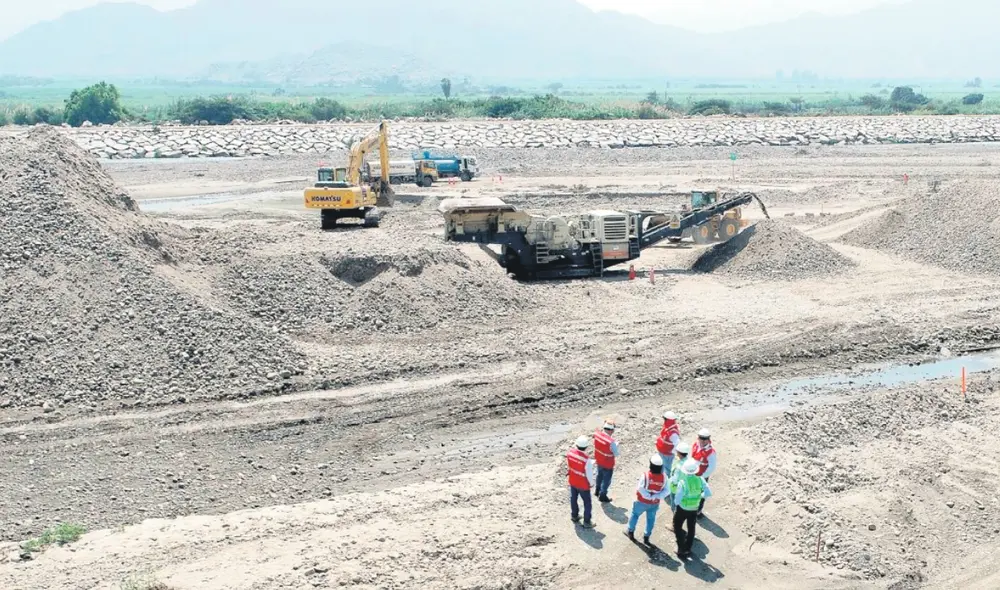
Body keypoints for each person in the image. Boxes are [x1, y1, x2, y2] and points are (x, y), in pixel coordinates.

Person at [626, 454, 670, 545]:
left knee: (635, 515)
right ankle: (647, 536)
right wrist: (656, 497)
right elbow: (667, 491)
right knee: (651, 519)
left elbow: (640, 489)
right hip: (654, 503)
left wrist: (649, 497)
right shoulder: (664, 477)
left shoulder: (645, 476)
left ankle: (630, 531)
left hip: (642, 502)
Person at [672, 458, 712, 560]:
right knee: (691, 528)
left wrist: (677, 504)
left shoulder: (683, 482)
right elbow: (708, 493)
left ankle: (681, 548)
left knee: (677, 527)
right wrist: (699, 496)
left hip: (682, 508)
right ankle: (688, 548)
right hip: (694, 508)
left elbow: (677, 499)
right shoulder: (700, 479)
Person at [566, 435, 597, 528]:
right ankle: (587, 521)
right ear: (586, 447)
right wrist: (592, 484)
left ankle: (574, 516)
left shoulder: (570, 453)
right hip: (583, 485)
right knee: (587, 503)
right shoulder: (586, 460)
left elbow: (570, 466)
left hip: (573, 481)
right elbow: (589, 474)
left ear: (576, 445)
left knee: (573, 499)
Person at [690, 429, 717, 517]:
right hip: (692, 474)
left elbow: (711, 468)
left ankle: (698, 512)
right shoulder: (695, 445)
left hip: (701, 476)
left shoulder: (711, 452)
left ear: (708, 439)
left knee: (701, 495)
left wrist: (701, 476)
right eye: (701, 438)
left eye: (705, 439)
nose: (702, 440)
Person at [593, 420, 620, 503]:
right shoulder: (611, 442)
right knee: (606, 481)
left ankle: (597, 491)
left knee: (599, 476)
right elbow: (616, 454)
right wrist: (617, 444)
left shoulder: (597, 434)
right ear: (611, 430)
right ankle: (602, 496)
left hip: (599, 460)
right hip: (608, 464)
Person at [667, 441, 691, 511]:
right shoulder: (689, 461)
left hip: (675, 489)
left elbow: (674, 480)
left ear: (679, 453)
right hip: (686, 488)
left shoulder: (679, 466)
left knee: (674, 504)